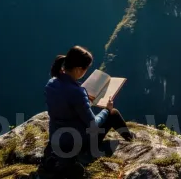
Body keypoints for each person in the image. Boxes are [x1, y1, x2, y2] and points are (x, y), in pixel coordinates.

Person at [40, 46, 134, 177]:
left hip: (57, 139)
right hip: (76, 143)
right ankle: (131, 142)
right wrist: (107, 110)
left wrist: (84, 98)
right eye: (85, 69)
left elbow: (66, 104)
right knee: (113, 114)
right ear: (79, 69)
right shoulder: (77, 92)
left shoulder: (51, 83)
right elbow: (93, 125)